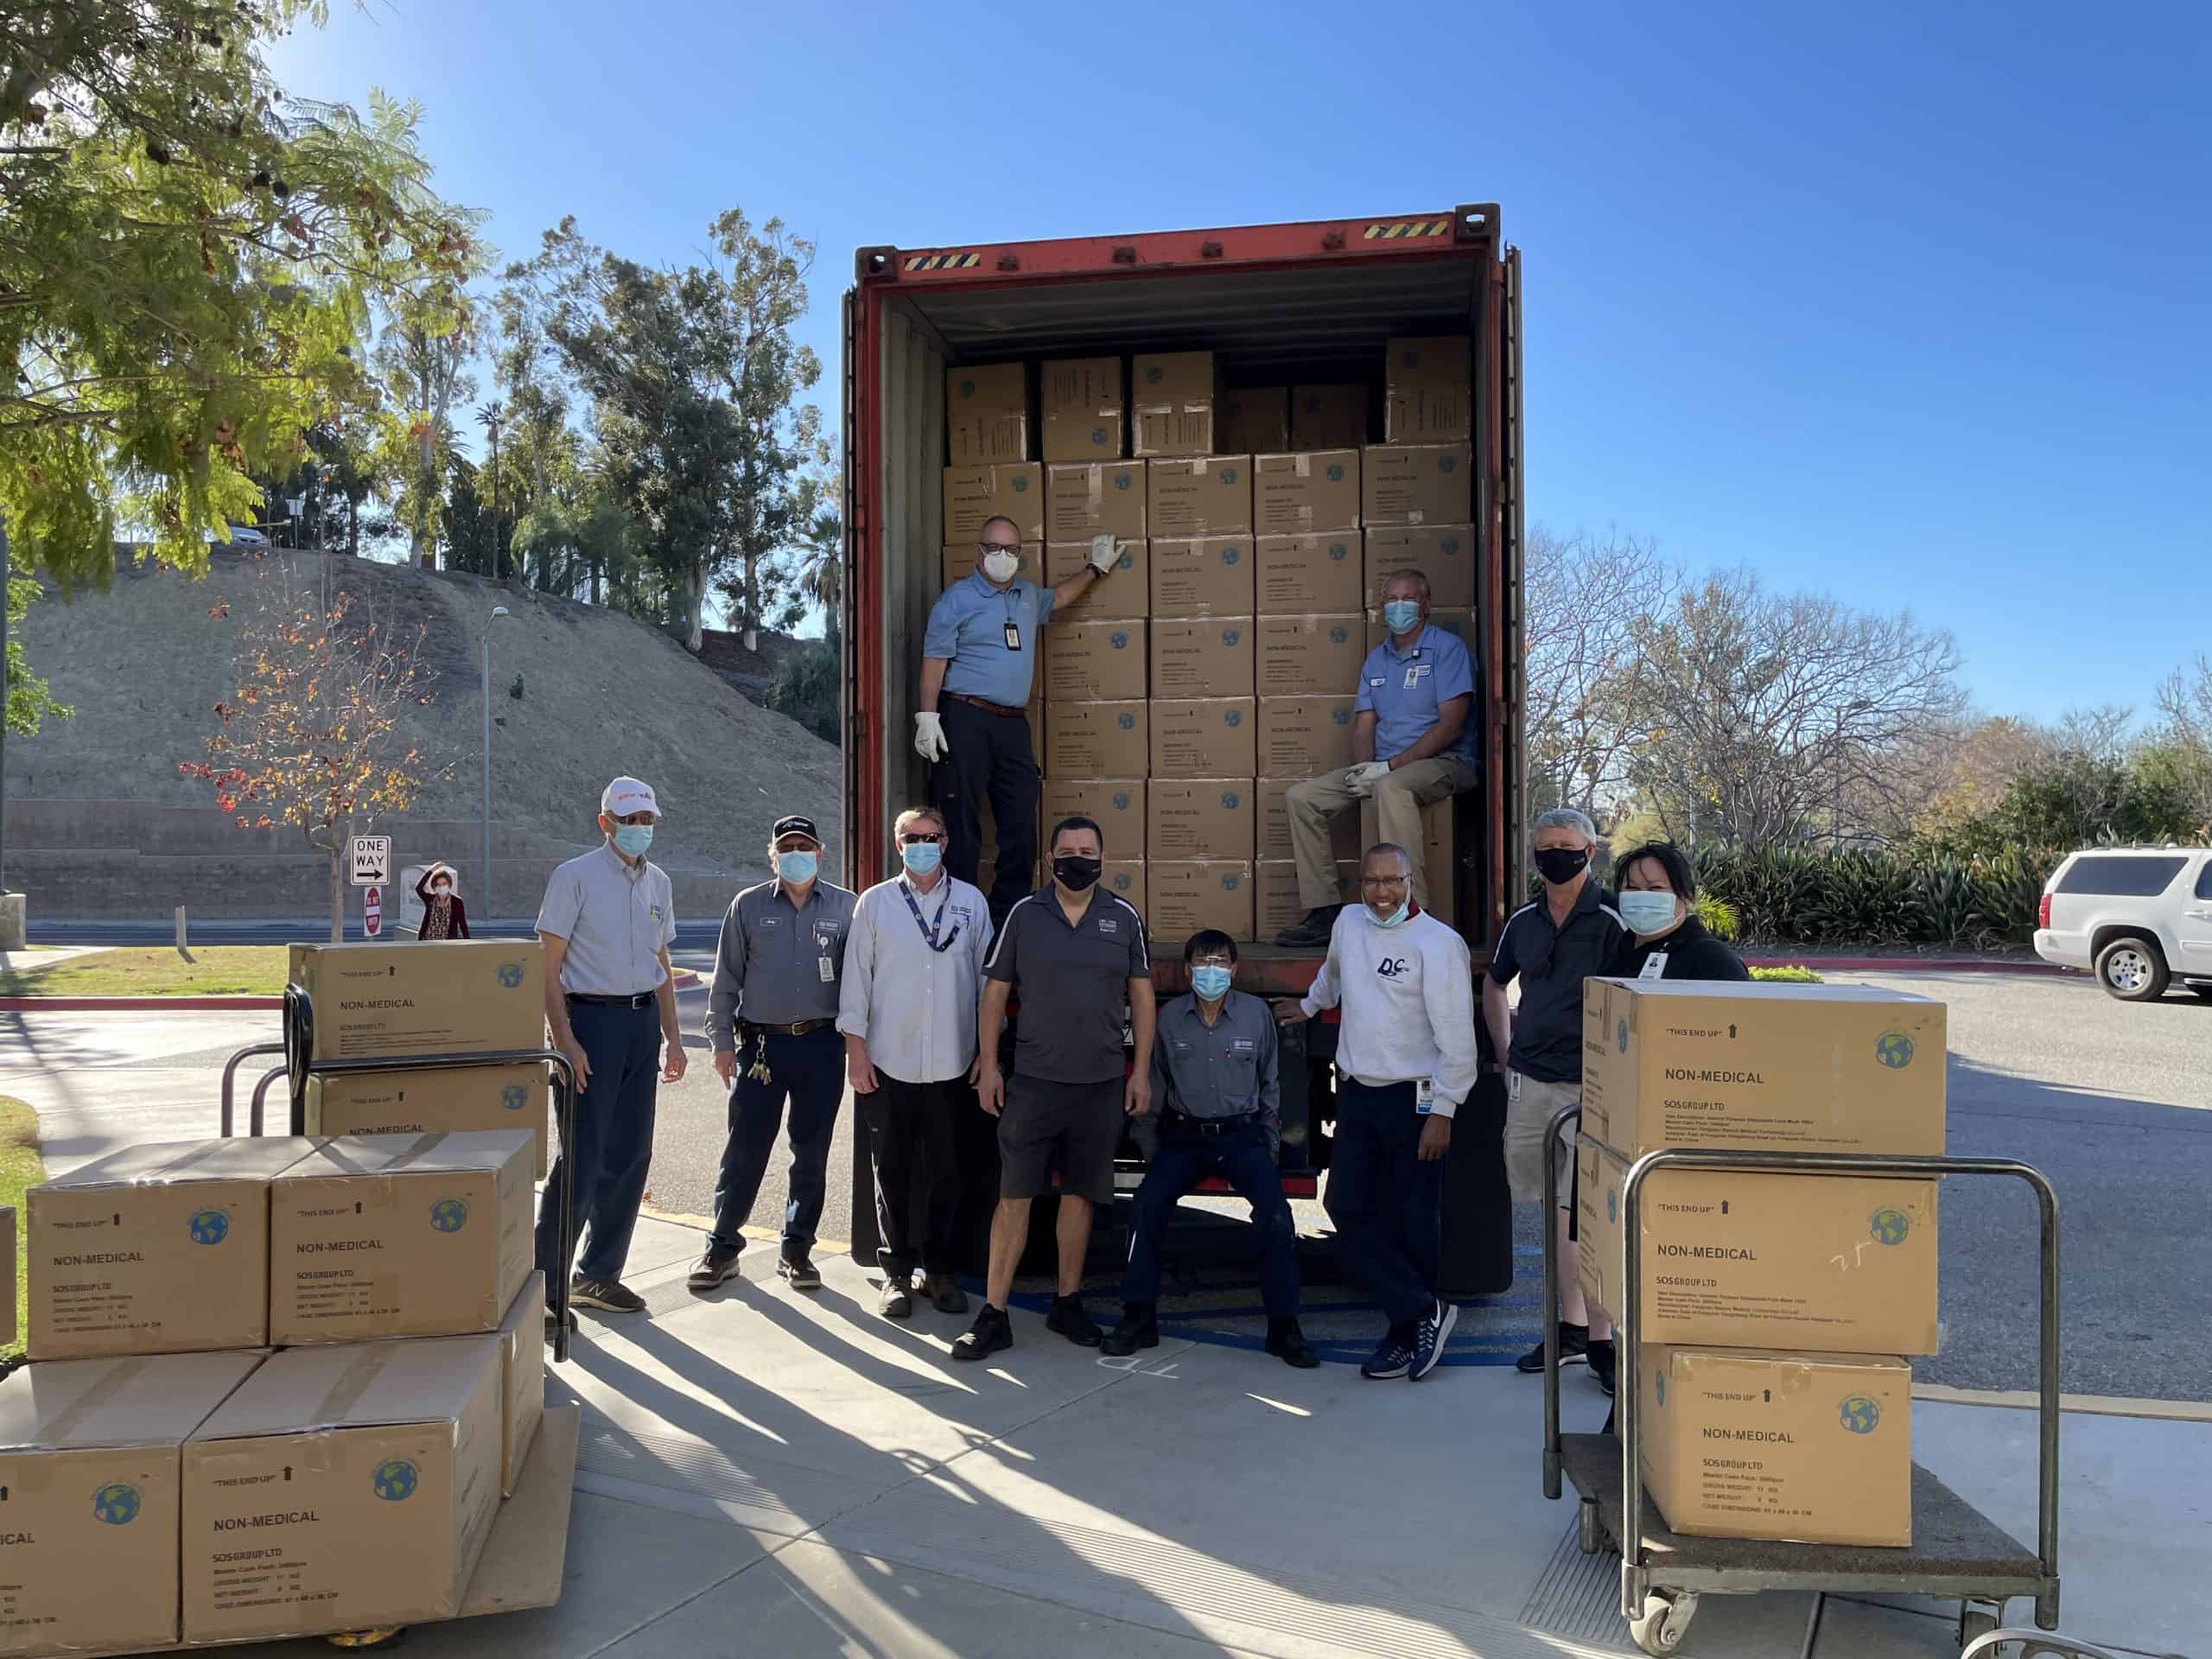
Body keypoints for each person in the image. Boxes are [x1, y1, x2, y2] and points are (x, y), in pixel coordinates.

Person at [954, 815, 1154, 1362]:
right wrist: (989, 1065)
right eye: (1067, 852)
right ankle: (994, 1314)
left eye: (1087, 852)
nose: (1077, 860)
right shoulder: (1025, 914)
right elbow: (995, 994)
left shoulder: (1124, 917)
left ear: (1104, 860)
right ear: (1050, 860)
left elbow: (1141, 998)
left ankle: (1067, 1303)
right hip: (1035, 1085)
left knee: (1080, 1197)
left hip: (1100, 1085)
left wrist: (1139, 1071)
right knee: (1014, 1197)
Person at [1274, 842, 1478, 1382]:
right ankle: (1423, 1309)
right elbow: (1333, 975)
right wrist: (1309, 1005)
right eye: (1371, 881)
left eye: (1392, 881)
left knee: (1413, 1217)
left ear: (1411, 882)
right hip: (1359, 1093)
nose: (1382, 893)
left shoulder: (1438, 944)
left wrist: (1444, 1110)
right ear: (1359, 883)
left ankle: (1406, 1331)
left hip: (1415, 1097)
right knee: (1345, 1204)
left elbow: (1458, 1038)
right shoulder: (1348, 924)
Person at [1103, 931, 1318, 1368]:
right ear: (1188, 971)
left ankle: (1284, 1327)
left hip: (1242, 1137)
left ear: (1234, 969)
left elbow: (1270, 1083)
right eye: (1202, 963)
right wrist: (1152, 1146)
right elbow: (1154, 1084)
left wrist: (1269, 1142)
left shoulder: (1255, 1015)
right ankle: (1138, 1315)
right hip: (1185, 1138)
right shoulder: (1169, 1019)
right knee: (1146, 1206)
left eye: (1220, 963)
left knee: (1277, 1217)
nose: (1211, 971)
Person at [1481, 807, 1627, 1390]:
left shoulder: (1614, 920)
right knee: (1551, 1211)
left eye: (1566, 847)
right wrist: (1504, 1053)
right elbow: (1495, 984)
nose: (1554, 858)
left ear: (1590, 852)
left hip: (1590, 1089)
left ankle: (1602, 1340)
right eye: (1544, 849)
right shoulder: (1524, 921)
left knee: (1586, 1218)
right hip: (1530, 1084)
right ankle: (1570, 1329)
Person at [916, 516, 1121, 922]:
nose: (1002, 556)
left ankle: (1006, 918)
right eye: (994, 548)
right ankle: (960, 916)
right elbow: (934, 660)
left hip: (1011, 724)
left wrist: (1095, 568)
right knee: (961, 821)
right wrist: (927, 716)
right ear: (980, 551)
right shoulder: (956, 600)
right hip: (965, 716)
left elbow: (1059, 597)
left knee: (1020, 821)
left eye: (1011, 549)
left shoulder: (1027, 596)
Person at [535, 776, 686, 1314]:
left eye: (647, 821)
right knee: (581, 1156)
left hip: (641, 1025)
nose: (640, 829)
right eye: (629, 821)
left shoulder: (658, 883)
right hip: (591, 1025)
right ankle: (546, 1286)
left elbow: (661, 962)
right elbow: (547, 968)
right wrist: (565, 1041)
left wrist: (673, 1037)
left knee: (630, 1154)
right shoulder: (573, 877)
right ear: (605, 823)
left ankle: (598, 1275)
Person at [838, 805, 994, 1319]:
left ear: (945, 843)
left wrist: (987, 1053)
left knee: (948, 1172)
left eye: (931, 837)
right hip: (889, 1062)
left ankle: (940, 1272)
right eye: (911, 838)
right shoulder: (875, 903)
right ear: (898, 844)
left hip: (953, 1063)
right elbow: (856, 981)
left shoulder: (970, 902)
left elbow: (989, 984)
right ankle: (897, 1274)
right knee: (893, 1172)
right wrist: (856, 1052)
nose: (922, 845)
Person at [696, 815, 856, 1294]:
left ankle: (797, 1251)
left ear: (820, 853)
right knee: (744, 1150)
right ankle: (722, 1247)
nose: (796, 855)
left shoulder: (847, 907)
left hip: (822, 1044)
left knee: (811, 1152)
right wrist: (722, 1043)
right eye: (786, 848)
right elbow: (726, 979)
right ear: (773, 857)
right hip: (762, 1047)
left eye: (804, 846)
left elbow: (863, 982)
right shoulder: (747, 906)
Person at [1274, 569, 1478, 946]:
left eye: (1408, 599)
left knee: (1390, 788)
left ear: (1426, 605)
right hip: (1385, 766)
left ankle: (1413, 913)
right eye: (1391, 600)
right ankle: (1324, 911)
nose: (1399, 607)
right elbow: (1365, 724)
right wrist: (1363, 770)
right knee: (1302, 799)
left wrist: (1388, 768)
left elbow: (1451, 726)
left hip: (1447, 762)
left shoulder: (1447, 650)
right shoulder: (1377, 661)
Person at [1612, 842, 1751, 984]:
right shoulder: (1615, 949)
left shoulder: (1712, 958)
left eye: (1656, 888)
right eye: (1632, 888)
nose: (1642, 897)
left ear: (1687, 896)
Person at [416, 862, 470, 940]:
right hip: (428, 942)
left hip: (448, 944)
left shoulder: (457, 901)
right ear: (434, 886)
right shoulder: (430, 899)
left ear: (449, 884)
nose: (441, 887)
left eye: (444, 884)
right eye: (438, 884)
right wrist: (432, 870)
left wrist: (468, 943)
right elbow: (419, 888)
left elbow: (463, 925)